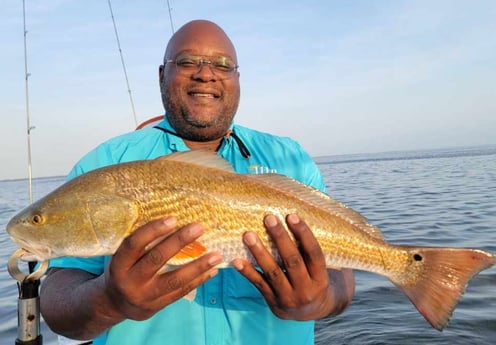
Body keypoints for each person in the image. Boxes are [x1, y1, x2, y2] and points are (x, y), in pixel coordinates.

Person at [40, 19, 355, 345]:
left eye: (223, 65)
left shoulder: (291, 158)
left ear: (237, 79)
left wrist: (323, 299)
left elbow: (341, 271)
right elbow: (58, 296)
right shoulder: (105, 164)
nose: (206, 73)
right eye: (188, 61)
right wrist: (109, 300)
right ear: (162, 74)